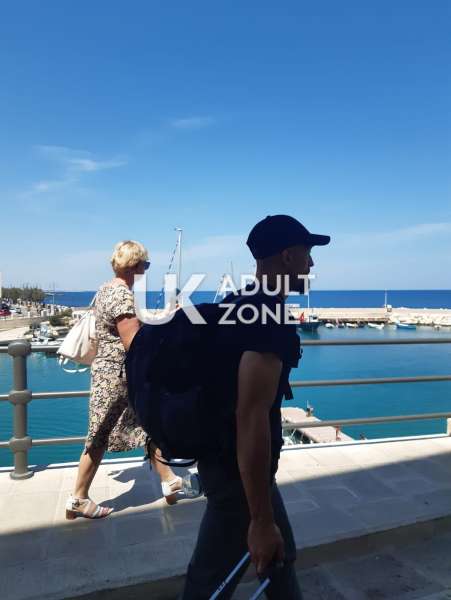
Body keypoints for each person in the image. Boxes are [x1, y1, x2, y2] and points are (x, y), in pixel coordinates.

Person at [181, 215, 330, 599]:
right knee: (208, 582)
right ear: (288, 256)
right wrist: (260, 519)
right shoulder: (268, 323)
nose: (312, 263)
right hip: (237, 477)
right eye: (307, 254)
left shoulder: (239, 304)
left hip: (229, 465)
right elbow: (251, 417)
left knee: (279, 559)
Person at [66, 240, 187, 519]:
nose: (147, 269)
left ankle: (169, 480)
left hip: (115, 375)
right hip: (118, 378)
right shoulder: (123, 296)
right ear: (134, 266)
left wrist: (165, 317)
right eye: (146, 264)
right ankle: (78, 498)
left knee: (146, 426)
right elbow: (133, 341)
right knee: (99, 435)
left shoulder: (106, 289)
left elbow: (131, 325)